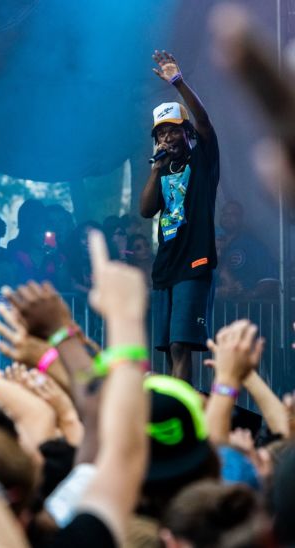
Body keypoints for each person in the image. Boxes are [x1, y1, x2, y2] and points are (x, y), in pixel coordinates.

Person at [140, 50, 219, 381]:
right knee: (168, 349)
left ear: (187, 133)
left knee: (180, 346)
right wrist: (156, 170)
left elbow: (204, 123)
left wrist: (178, 82)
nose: (167, 137)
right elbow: (146, 210)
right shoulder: (163, 168)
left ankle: (182, 415)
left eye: (173, 130)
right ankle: (179, 406)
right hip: (166, 268)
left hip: (194, 263)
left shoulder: (202, 161)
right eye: (161, 133)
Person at [218, 200, 278, 299]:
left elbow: (270, 279)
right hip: (217, 310)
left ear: (241, 218)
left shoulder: (252, 245)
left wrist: (249, 296)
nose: (227, 217)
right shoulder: (214, 242)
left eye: (233, 214)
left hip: (244, 309)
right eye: (225, 213)